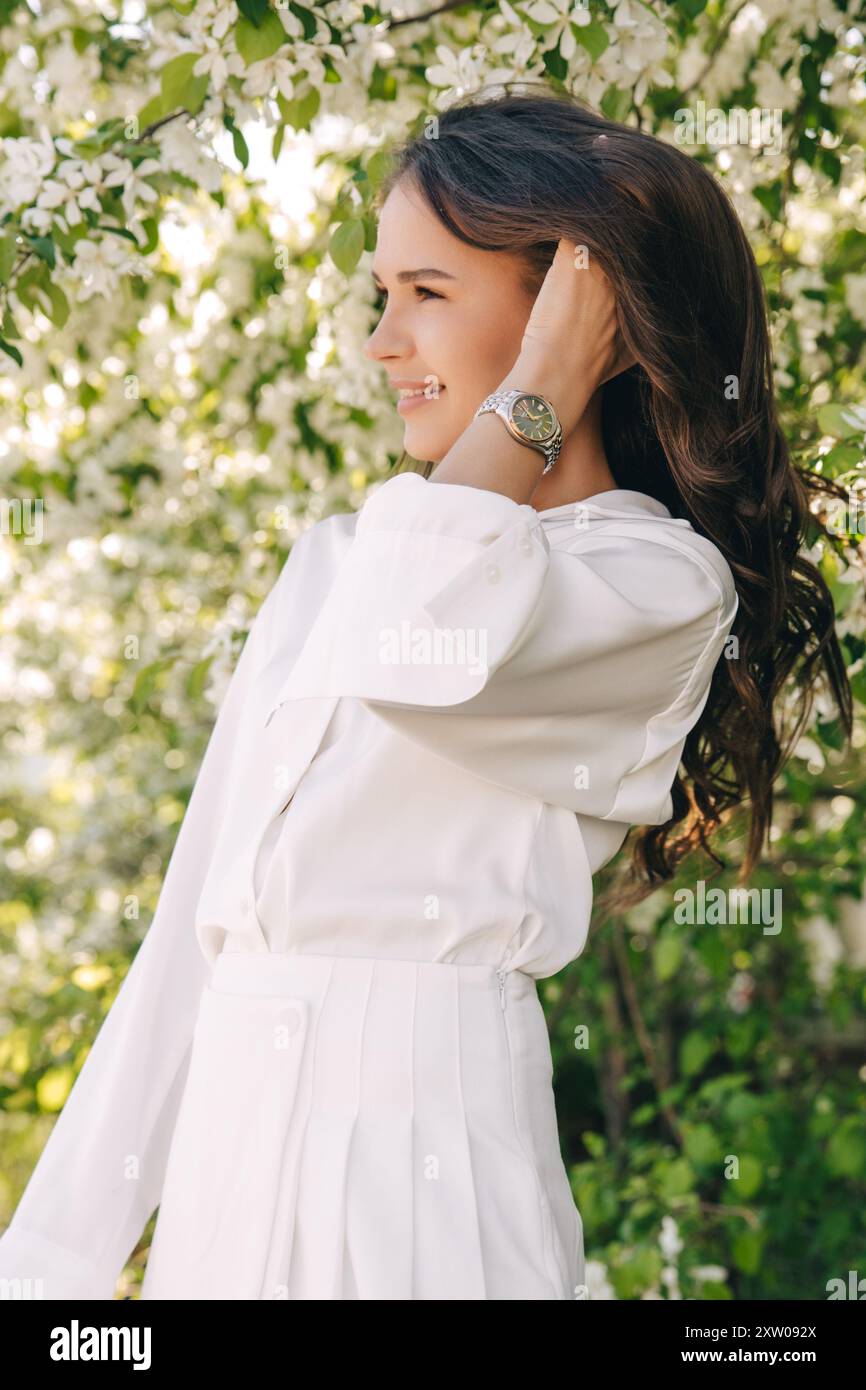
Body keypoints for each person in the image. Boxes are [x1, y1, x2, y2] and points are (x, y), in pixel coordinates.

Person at [0, 89, 851, 1301]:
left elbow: (420, 647)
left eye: (427, 293)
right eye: (380, 296)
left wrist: (547, 381)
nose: (380, 343)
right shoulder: (334, 564)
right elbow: (189, 947)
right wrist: (46, 1276)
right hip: (227, 1204)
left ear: (576, 302)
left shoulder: (655, 586)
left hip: (424, 1186)